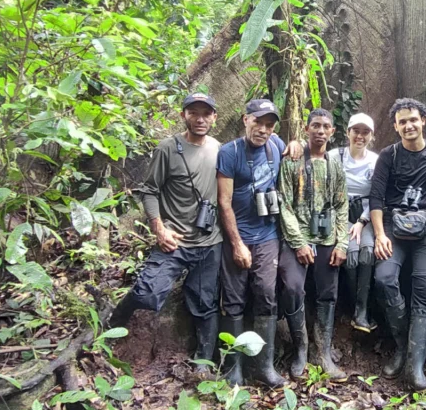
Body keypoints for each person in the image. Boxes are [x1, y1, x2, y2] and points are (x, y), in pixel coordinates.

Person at [111, 93, 223, 376]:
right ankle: (114, 320)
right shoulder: (168, 149)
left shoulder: (221, 150)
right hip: (175, 240)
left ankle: (203, 363)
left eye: (206, 113)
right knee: (147, 293)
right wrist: (159, 228)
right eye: (193, 112)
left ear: (214, 117)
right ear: (183, 115)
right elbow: (149, 190)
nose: (200, 119)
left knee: (205, 303)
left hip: (210, 242)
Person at [216, 98, 299, 387]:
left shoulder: (275, 145)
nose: (262, 129)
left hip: (267, 234)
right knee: (233, 299)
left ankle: (265, 366)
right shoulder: (229, 152)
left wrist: (297, 143)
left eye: (269, 125)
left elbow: (294, 152)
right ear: (245, 119)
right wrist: (237, 244)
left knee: (266, 293)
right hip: (238, 235)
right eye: (257, 122)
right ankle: (233, 368)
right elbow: (224, 202)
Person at [369, 98, 426, 392]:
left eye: (413, 119)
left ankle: (415, 367)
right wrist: (380, 235)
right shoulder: (388, 156)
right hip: (393, 226)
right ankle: (401, 347)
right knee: (385, 278)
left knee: (425, 287)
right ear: (395, 126)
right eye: (402, 122)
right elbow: (376, 198)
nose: (409, 125)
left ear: (423, 120)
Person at [276, 109, 350, 381]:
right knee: (293, 288)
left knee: (328, 293)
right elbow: (284, 204)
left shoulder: (335, 165)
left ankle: (323, 352)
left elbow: (341, 205)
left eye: (325, 126)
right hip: (296, 237)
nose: (320, 131)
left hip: (327, 237)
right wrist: (298, 243)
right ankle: (301, 350)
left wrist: (342, 244)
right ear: (306, 129)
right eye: (315, 125)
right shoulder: (291, 161)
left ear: (332, 132)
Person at [329, 114, 380, 333]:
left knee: (367, 253)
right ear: (348, 132)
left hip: (365, 216)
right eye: (356, 131)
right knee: (350, 256)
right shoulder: (335, 156)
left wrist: (361, 221)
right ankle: (350, 304)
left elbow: (377, 196)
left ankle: (362, 309)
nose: (360, 136)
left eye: (365, 132)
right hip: (340, 216)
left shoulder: (376, 161)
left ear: (371, 135)